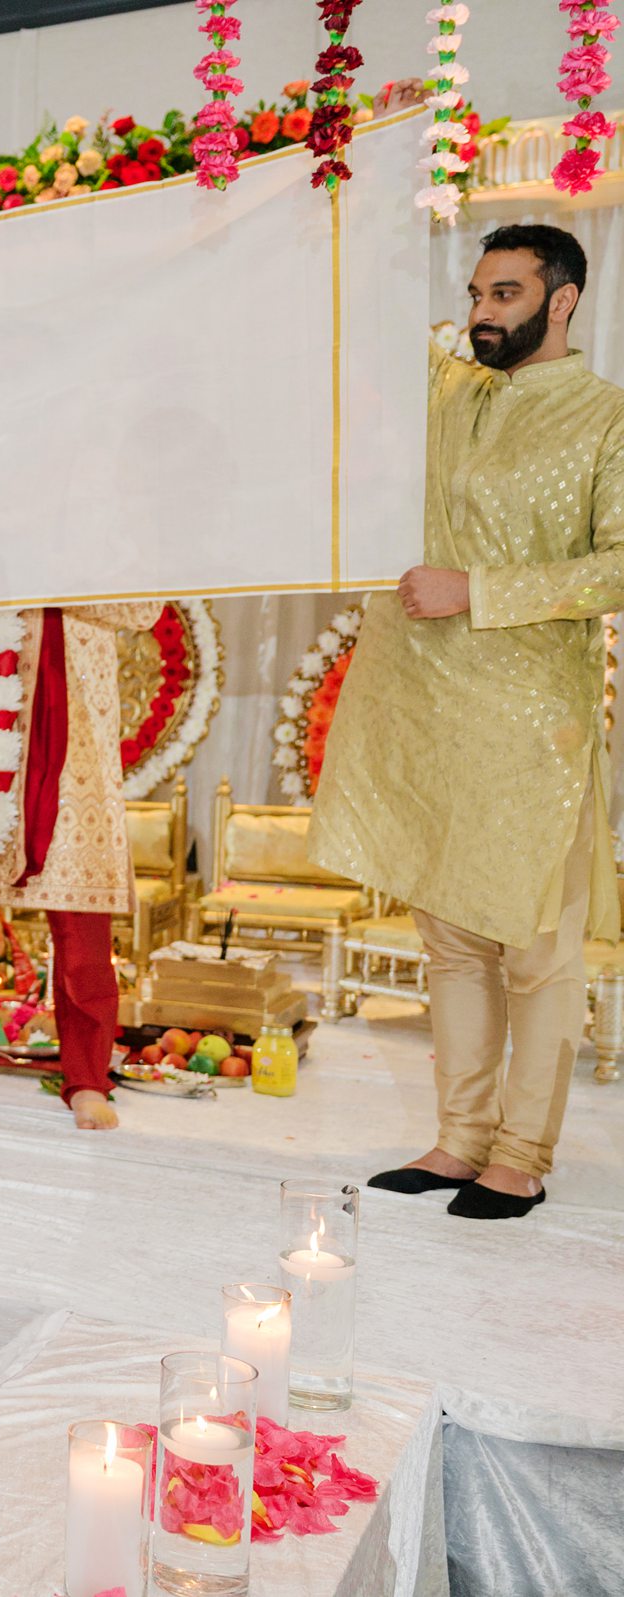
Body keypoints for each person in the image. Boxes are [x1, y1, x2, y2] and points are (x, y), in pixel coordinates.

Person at [315, 223, 624, 1221]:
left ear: (563, 299)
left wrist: (477, 589)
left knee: (535, 951)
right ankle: (458, 1140)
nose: (483, 313)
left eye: (505, 295)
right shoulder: (445, 398)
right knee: (450, 941)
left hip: (539, 725)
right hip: (432, 710)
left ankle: (521, 1155)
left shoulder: (605, 418)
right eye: (477, 294)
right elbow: (338, 317)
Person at [0, 602, 161, 1130]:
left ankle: (88, 1078)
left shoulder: (96, 520)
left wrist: (50, 573)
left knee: (78, 916)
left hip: (67, 715)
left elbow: (142, 608)